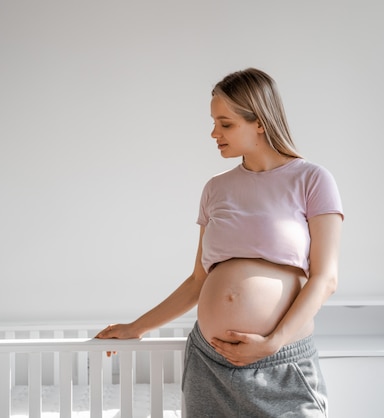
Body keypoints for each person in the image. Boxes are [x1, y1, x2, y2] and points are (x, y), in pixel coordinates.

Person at [96, 68, 343, 417]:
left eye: (226, 124)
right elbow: (199, 280)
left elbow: (325, 278)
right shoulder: (216, 188)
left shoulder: (312, 179)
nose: (214, 133)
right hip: (209, 364)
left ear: (259, 122)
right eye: (214, 122)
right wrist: (136, 327)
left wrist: (272, 343)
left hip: (279, 362)